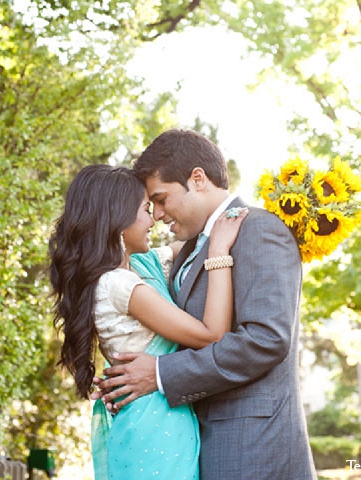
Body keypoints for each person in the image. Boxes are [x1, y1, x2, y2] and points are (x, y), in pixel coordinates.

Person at [93, 129, 318, 479]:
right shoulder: (188, 252)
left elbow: (266, 339)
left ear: (197, 179)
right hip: (195, 445)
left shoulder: (259, 229)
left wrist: (159, 374)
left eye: (163, 199)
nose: (160, 214)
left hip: (253, 447)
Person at [49, 164, 247, 479]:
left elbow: (192, 241)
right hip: (153, 428)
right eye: (145, 208)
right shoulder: (118, 284)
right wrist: (220, 251)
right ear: (117, 219)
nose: (155, 216)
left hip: (158, 417)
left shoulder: (142, 265)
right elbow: (212, 335)